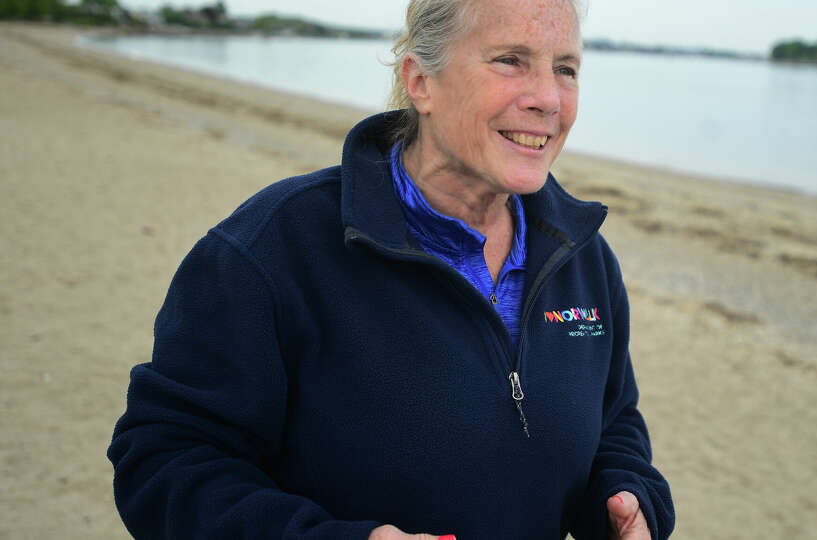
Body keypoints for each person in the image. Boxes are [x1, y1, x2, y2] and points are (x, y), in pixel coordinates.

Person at [107, 0, 674, 539]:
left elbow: (615, 421)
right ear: (420, 82)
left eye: (566, 69)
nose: (548, 98)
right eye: (510, 60)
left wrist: (627, 501)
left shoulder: (581, 257)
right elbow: (162, 461)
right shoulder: (273, 249)